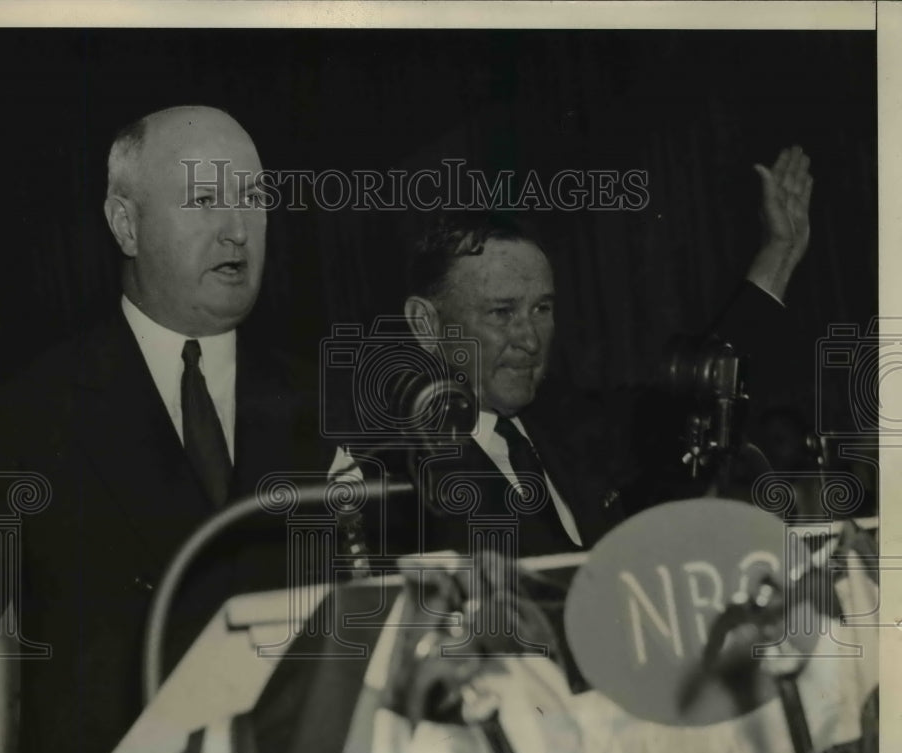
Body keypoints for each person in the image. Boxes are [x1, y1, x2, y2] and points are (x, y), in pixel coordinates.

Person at [0, 106, 326, 753]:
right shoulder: (28, 412)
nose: (238, 229)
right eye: (205, 198)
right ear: (126, 223)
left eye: (254, 199)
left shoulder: (326, 403)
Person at [337, 146, 813, 558]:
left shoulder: (573, 425)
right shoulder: (390, 480)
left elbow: (706, 386)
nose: (530, 338)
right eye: (502, 313)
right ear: (427, 324)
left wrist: (780, 252)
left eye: (542, 308)